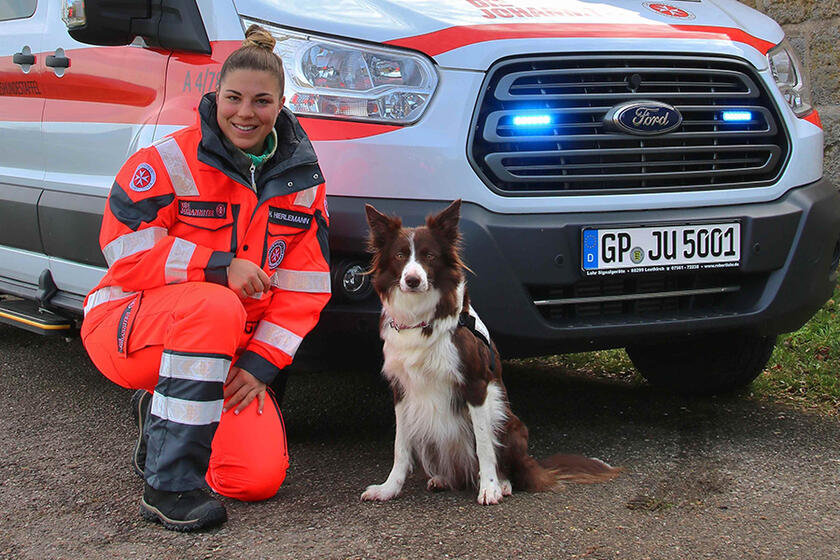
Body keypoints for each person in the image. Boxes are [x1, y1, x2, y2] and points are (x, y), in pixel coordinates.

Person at [80, 24, 331, 531]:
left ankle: (161, 416)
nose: (245, 113)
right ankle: (168, 486)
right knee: (215, 304)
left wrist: (260, 365)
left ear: (283, 104)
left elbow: (306, 289)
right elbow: (124, 249)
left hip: (227, 350)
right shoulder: (167, 160)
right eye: (233, 98)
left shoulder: (303, 183)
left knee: (256, 480)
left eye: (262, 101)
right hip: (128, 326)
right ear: (216, 95)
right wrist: (218, 267)